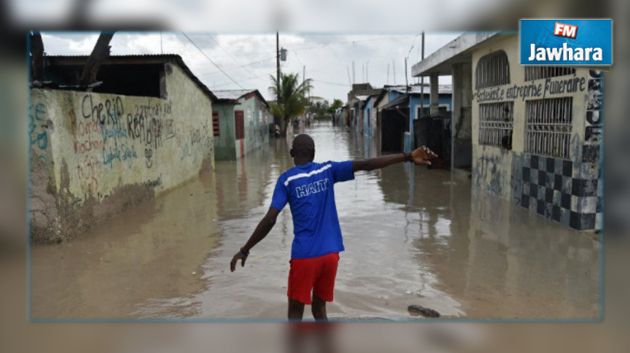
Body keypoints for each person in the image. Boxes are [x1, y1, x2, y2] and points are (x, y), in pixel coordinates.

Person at [230, 134, 437, 321]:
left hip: (305, 256)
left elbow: (270, 220)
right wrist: (408, 156)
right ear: (314, 153)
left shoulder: (287, 180)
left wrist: (245, 249)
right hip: (330, 255)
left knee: (295, 316)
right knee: (320, 312)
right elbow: (367, 164)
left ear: (292, 153)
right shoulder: (327, 170)